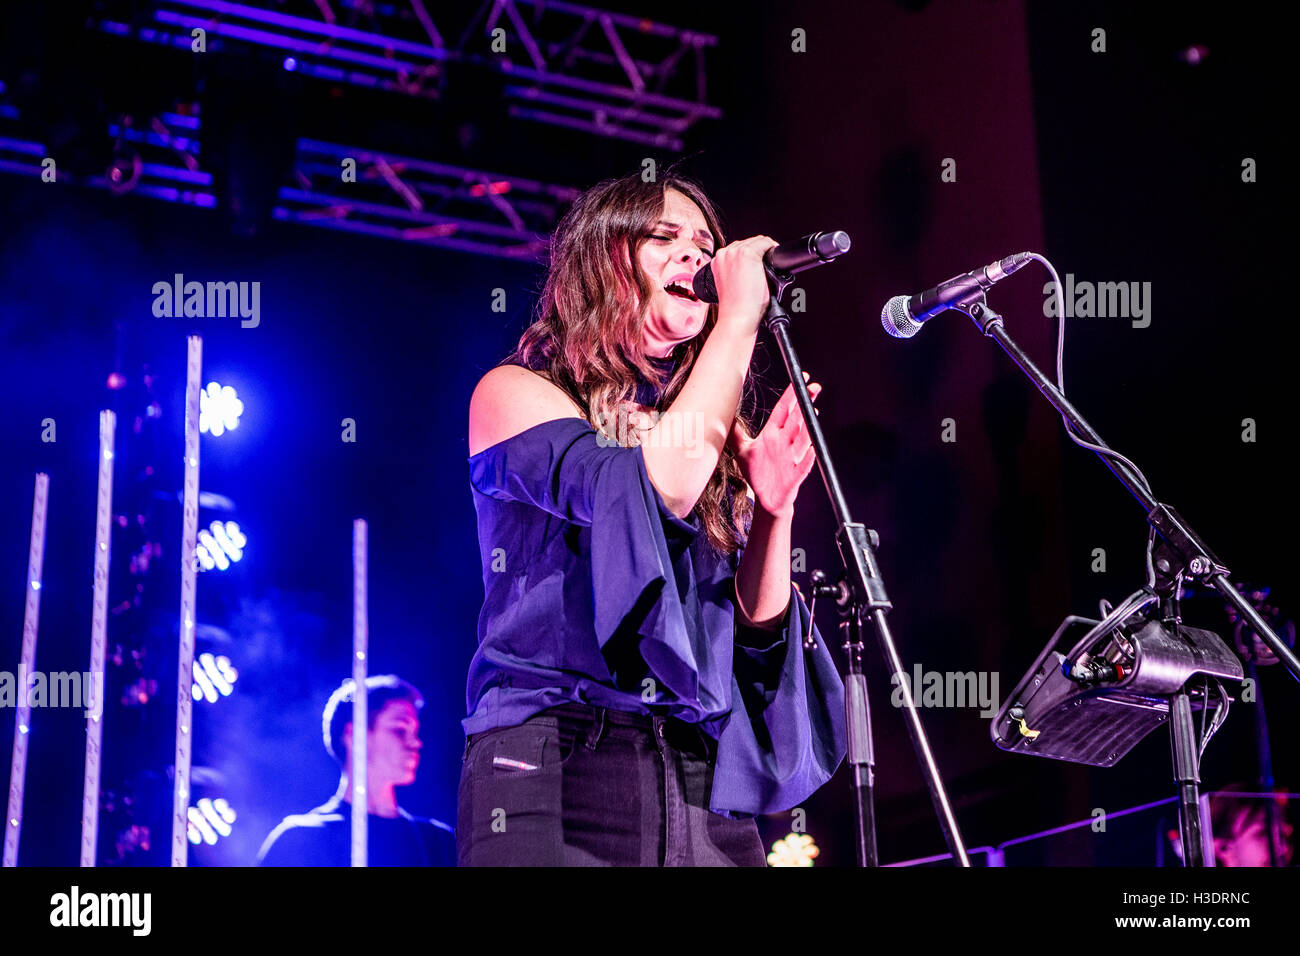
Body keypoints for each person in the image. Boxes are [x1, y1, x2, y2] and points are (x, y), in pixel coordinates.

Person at [459, 169, 847, 866]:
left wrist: (773, 508)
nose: (695, 256)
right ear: (603, 259)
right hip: (555, 758)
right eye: (664, 237)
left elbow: (751, 633)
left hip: (698, 775)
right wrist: (738, 320)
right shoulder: (514, 394)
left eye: (704, 242)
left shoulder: (700, 429)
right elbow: (642, 491)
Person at [258, 675, 456, 866]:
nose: (415, 743)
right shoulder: (300, 841)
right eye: (400, 730)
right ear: (354, 735)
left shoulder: (439, 842)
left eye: (414, 733)